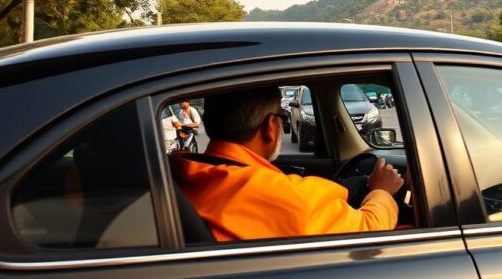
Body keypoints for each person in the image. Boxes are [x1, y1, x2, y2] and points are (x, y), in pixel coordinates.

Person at [170, 86, 404, 241]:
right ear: (271, 127)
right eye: (282, 117)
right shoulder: (285, 196)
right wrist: (381, 190)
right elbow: (370, 230)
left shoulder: (176, 168)